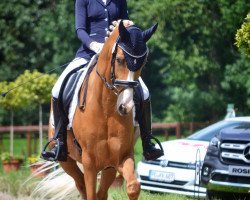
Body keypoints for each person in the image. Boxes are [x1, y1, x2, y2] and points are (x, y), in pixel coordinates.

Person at [41, 0, 164, 162]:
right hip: (87, 53)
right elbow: (80, 29)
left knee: (145, 91)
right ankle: (59, 141)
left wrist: (128, 23)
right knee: (57, 89)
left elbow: (124, 26)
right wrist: (94, 45)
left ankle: (147, 142)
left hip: (116, 57)